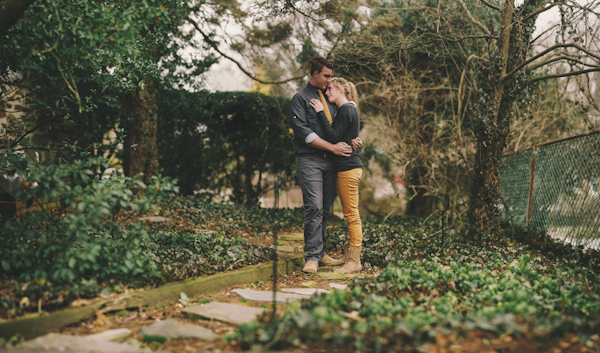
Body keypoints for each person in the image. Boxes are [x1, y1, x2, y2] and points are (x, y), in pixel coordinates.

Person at [288, 57, 354, 274]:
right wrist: (332, 148)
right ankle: (312, 257)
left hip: (332, 162)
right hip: (310, 160)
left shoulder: (331, 98)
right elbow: (305, 134)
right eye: (326, 76)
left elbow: (339, 129)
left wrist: (354, 140)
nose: (329, 80)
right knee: (314, 207)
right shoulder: (299, 98)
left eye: (330, 76)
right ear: (314, 73)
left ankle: (322, 253)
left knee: (325, 209)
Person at [309, 77, 364, 274]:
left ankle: (354, 260)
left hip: (348, 168)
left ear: (342, 89)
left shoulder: (347, 109)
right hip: (348, 168)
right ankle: (350, 257)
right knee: (351, 214)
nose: (327, 92)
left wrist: (320, 113)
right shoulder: (349, 109)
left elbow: (332, 136)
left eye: (330, 88)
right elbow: (348, 137)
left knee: (352, 215)